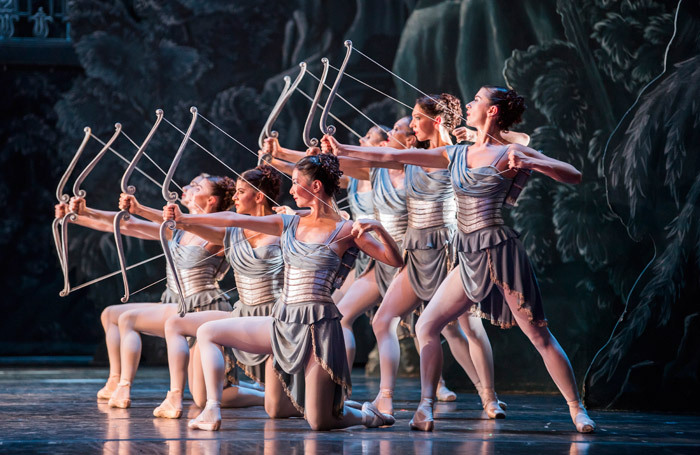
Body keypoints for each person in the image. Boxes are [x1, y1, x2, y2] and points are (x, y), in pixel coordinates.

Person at [324, 85, 596, 433]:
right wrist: (342, 150)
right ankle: (425, 408)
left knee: (539, 336)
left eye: (477, 100)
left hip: (498, 250)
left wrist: (532, 160)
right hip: (466, 254)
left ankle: (577, 409)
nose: (470, 104)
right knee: (426, 325)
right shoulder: (457, 153)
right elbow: (393, 157)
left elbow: (573, 174)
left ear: (493, 111)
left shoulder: (511, 151)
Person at [164, 154, 403, 431]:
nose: (290, 190)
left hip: (318, 327)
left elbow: (394, 260)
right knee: (208, 332)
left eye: (295, 183)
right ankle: (211, 410)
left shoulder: (347, 229)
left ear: (315, 187)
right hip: (282, 320)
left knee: (320, 421)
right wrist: (182, 220)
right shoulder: (288, 222)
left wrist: (379, 228)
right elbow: (232, 219)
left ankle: (367, 416)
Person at [67, 174, 235, 409]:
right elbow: (127, 225)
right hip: (177, 303)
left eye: (196, 187)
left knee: (207, 395)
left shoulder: (219, 231)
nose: (186, 188)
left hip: (201, 306)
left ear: (212, 201)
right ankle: (115, 382)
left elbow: (176, 222)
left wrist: (139, 208)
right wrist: (80, 215)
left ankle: (126, 386)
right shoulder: (178, 230)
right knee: (111, 314)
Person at [153, 166, 285, 418]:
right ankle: (179, 398)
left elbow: (316, 220)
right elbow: (207, 229)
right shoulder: (233, 231)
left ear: (258, 196)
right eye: (234, 191)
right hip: (243, 313)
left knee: (279, 408)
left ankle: (358, 411)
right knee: (179, 327)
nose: (235, 197)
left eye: (241, 192)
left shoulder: (283, 224)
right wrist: (180, 220)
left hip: (274, 316)